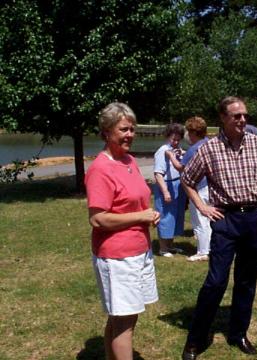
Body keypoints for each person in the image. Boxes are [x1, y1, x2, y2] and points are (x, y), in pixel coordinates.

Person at [180, 96, 257, 359]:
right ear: (223, 119)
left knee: (246, 281)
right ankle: (196, 339)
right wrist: (203, 207)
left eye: (245, 116)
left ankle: (238, 332)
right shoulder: (208, 149)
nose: (242, 120)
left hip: (253, 218)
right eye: (236, 115)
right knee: (215, 282)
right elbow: (187, 179)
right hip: (225, 220)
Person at [85, 102, 160, 360]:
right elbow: (98, 219)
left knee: (123, 317)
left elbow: (134, 198)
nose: (130, 134)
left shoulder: (128, 160)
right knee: (123, 322)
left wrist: (148, 214)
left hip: (139, 250)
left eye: (132, 129)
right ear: (106, 131)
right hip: (117, 256)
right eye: (123, 129)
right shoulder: (100, 169)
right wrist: (141, 215)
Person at [165, 116, 211, 262]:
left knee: (199, 221)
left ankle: (202, 251)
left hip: (199, 189)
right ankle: (209, 248)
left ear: (193, 133)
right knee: (209, 220)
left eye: (189, 132)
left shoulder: (193, 149)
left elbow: (181, 167)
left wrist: (172, 156)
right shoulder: (208, 143)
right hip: (210, 186)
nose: (187, 136)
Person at [153, 123, 187, 257]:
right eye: (173, 139)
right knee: (165, 216)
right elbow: (158, 174)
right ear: (168, 137)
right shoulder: (163, 151)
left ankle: (170, 245)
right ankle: (163, 248)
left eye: (178, 139)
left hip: (177, 184)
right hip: (166, 185)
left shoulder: (177, 149)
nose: (176, 142)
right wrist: (166, 191)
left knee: (176, 216)